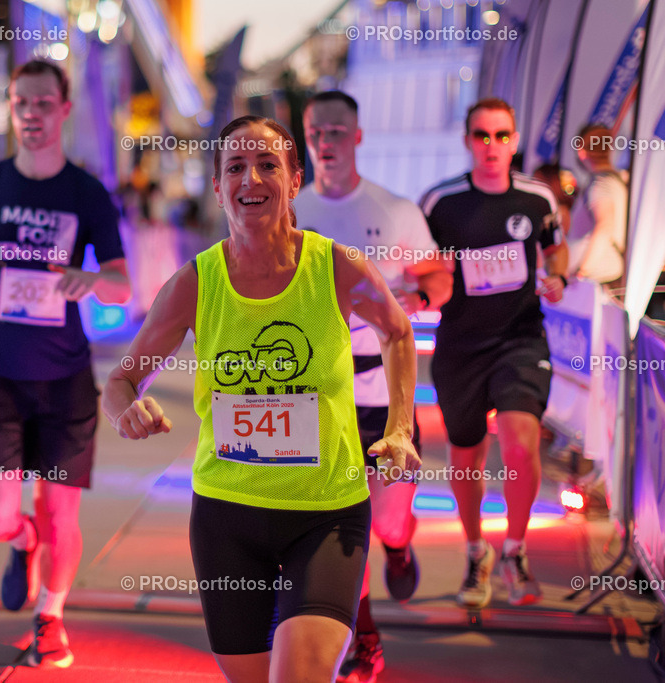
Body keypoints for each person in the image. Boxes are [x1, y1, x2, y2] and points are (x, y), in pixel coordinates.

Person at [103, 115, 420, 683]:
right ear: (220, 186)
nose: (251, 178)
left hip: (326, 514)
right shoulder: (194, 283)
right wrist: (126, 411)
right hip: (228, 519)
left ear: (295, 180)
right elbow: (121, 380)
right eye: (235, 167)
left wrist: (399, 427)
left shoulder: (338, 267)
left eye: (268, 164)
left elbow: (398, 332)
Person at [0, 60, 131, 669]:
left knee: (60, 506)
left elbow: (123, 286)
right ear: (11, 109)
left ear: (64, 110)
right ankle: (21, 542)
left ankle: (52, 616)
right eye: (21, 103)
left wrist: (92, 279)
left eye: (43, 103)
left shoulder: (86, 191)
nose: (31, 114)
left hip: (65, 375)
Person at [293, 90, 452, 683]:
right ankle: (363, 634)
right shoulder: (291, 212)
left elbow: (439, 272)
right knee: (341, 525)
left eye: (337, 132)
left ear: (357, 138)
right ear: (305, 140)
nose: (327, 143)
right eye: (316, 133)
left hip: (387, 392)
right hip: (319, 394)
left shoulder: (395, 210)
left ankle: (401, 542)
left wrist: (420, 296)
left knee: (385, 521)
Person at [420, 97, 569, 609]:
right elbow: (423, 266)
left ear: (515, 140)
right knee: (466, 457)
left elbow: (556, 247)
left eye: (502, 136)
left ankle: (515, 548)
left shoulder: (536, 198)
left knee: (521, 442)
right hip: (460, 345)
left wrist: (559, 276)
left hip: (520, 341)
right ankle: (475, 550)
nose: (492, 146)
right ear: (467, 141)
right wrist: (426, 283)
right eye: (482, 136)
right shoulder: (440, 203)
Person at [567, 123, 627, 288]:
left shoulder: (601, 184)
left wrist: (582, 271)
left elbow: (605, 226)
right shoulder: (611, 181)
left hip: (596, 280)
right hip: (600, 277)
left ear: (581, 151)